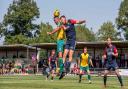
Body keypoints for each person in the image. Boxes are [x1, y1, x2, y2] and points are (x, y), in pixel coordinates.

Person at [47, 10, 65, 79]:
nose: (54, 22)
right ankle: (61, 70)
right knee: (60, 56)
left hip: (60, 41)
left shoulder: (59, 23)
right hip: (59, 41)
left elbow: (57, 28)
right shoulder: (60, 23)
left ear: (57, 19)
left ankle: (61, 69)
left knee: (60, 56)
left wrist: (51, 33)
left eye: (55, 20)